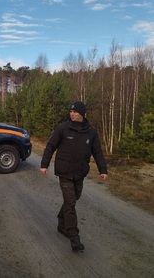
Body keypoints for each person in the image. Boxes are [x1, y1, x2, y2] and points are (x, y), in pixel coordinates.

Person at [40, 101, 107, 252]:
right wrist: (44, 164)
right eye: (70, 112)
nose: (72, 114)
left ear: (82, 114)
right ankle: (74, 237)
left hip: (80, 172)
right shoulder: (62, 128)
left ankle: (61, 223)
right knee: (70, 203)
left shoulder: (91, 132)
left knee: (73, 198)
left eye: (75, 112)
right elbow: (50, 146)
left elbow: (97, 152)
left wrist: (103, 169)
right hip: (64, 171)